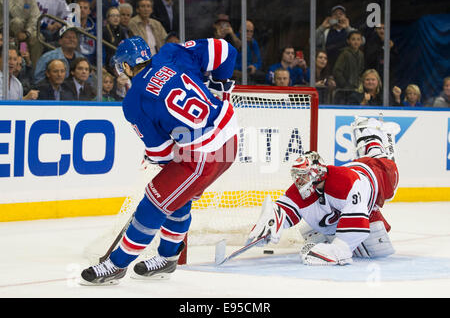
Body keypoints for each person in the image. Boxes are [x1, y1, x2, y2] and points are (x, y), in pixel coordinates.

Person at [80, 36, 238, 285]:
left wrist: (157, 159)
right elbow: (225, 50)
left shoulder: (133, 101)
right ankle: (167, 258)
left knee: (155, 201)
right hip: (229, 134)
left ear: (126, 67)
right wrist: (218, 86)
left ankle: (116, 264)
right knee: (175, 195)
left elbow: (162, 154)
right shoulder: (171, 54)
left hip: (203, 154)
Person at [248, 115, 399, 266]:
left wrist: (338, 249)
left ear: (316, 173)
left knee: (384, 164)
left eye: (303, 176)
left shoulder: (347, 184)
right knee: (372, 249)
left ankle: (372, 132)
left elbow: (358, 226)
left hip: (376, 174)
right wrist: (271, 222)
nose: (298, 181)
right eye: (297, 176)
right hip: (354, 179)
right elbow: (284, 209)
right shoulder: (304, 187)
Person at [0, 0, 43, 67]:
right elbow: (13, 14)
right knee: (17, 22)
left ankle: (34, 69)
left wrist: (27, 32)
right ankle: (21, 62)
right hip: (8, 30)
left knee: (38, 37)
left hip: (27, 31)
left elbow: (35, 17)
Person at [315, 5, 360, 72]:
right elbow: (312, 42)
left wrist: (347, 28)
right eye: (335, 14)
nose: (338, 16)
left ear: (345, 17)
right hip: (329, 67)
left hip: (347, 68)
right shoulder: (326, 32)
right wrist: (322, 27)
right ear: (331, 18)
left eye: (341, 14)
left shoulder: (349, 32)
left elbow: (362, 41)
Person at [233, 20, 265, 85]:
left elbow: (258, 61)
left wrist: (254, 66)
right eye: (247, 31)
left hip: (249, 73)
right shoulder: (233, 41)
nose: (249, 34)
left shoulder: (253, 43)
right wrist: (242, 69)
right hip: (235, 73)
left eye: (251, 31)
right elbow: (230, 62)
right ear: (240, 31)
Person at [103, 7, 129, 73]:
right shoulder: (104, 31)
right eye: (113, 16)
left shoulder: (122, 31)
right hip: (108, 65)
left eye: (117, 16)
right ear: (108, 18)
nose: (116, 18)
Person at [76, 0, 97, 65]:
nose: (82, 10)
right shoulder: (69, 25)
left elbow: (100, 48)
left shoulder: (95, 28)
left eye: (85, 8)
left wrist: (101, 65)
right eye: (80, 7)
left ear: (89, 11)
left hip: (91, 64)